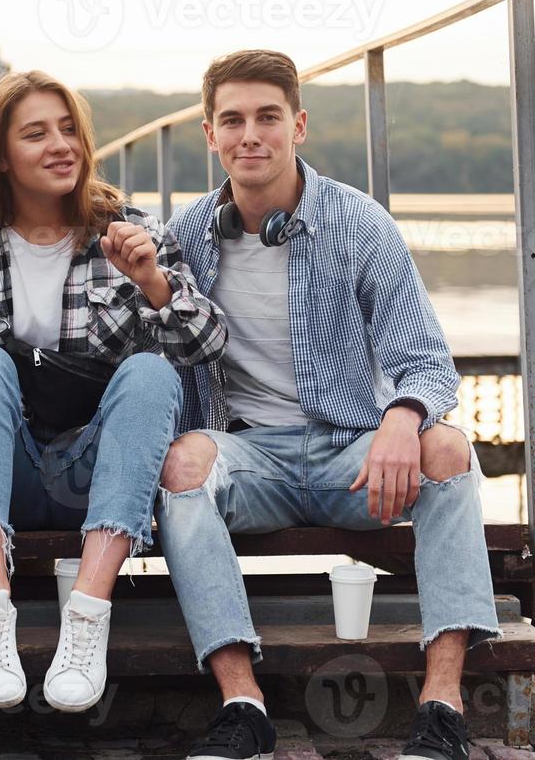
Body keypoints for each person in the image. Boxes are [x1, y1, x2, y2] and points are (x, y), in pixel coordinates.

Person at [156, 50, 500, 760]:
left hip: (354, 457)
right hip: (252, 460)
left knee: (447, 448)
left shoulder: (360, 224)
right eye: (233, 120)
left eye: (268, 117)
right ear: (209, 134)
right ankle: (241, 704)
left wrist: (402, 418)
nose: (251, 135)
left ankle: (442, 707)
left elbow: (427, 362)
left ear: (299, 126)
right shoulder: (185, 238)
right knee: (183, 463)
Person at [0, 70, 226, 715]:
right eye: (36, 134)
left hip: (95, 475)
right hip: (0, 474)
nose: (61, 145)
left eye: (70, 129)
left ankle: (89, 616)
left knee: (154, 372)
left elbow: (206, 345)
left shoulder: (127, 228)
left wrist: (155, 283)